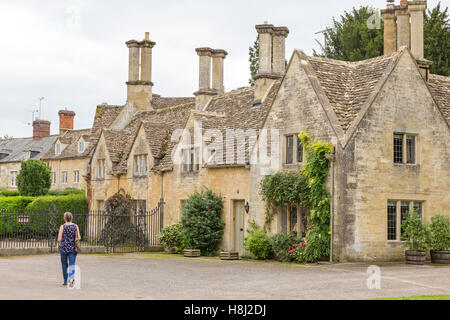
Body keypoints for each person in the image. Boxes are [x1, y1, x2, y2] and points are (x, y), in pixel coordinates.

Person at [57, 212, 81, 287]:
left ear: (64, 218)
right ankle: (71, 282)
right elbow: (79, 237)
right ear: (71, 218)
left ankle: (65, 281)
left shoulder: (62, 226)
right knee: (71, 265)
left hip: (63, 248)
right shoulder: (75, 226)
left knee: (64, 264)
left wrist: (64, 241)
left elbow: (59, 239)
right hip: (73, 248)